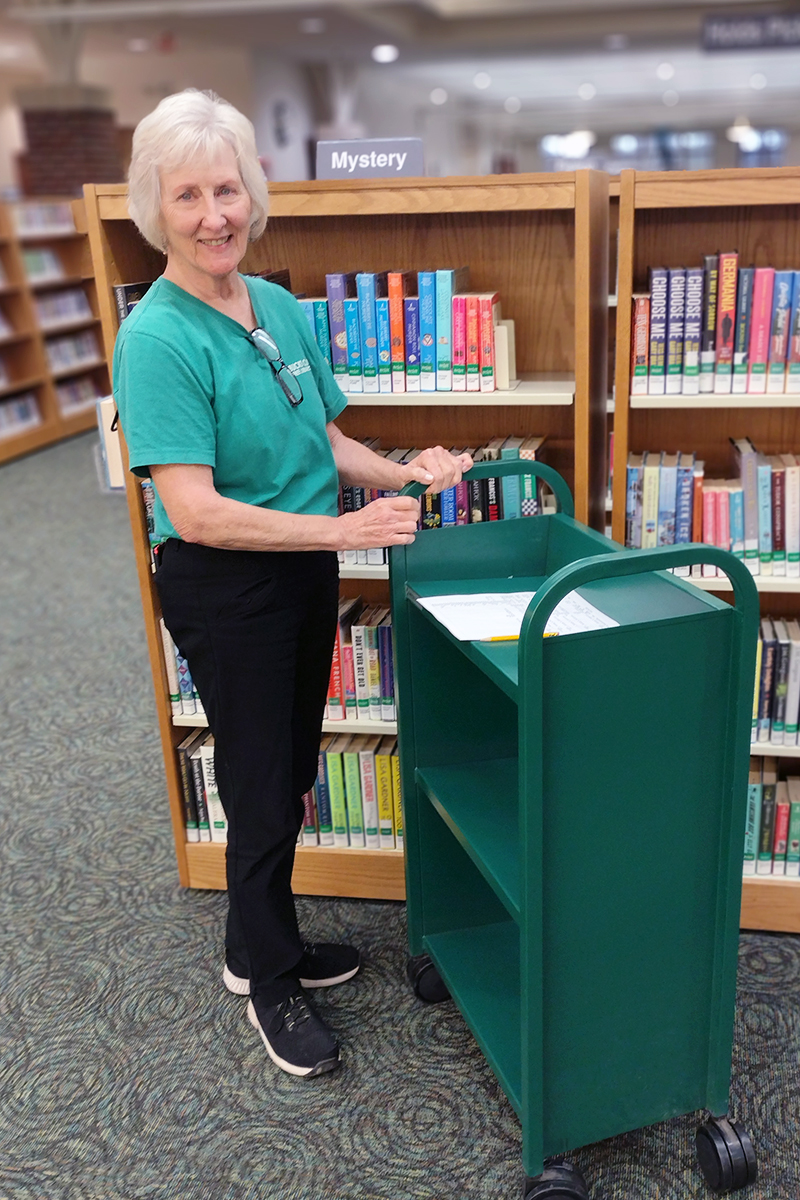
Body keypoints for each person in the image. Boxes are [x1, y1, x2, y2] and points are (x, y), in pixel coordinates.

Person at [114, 89, 471, 1079]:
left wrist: (400, 475)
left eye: (226, 188)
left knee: (287, 766)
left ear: (251, 193)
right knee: (260, 782)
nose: (213, 214)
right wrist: (342, 529)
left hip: (301, 568)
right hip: (226, 586)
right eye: (186, 196)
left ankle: (255, 940)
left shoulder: (272, 304)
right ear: (156, 210)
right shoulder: (154, 340)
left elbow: (320, 437)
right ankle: (265, 975)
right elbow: (195, 511)